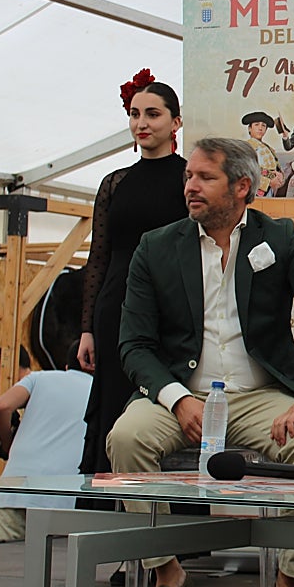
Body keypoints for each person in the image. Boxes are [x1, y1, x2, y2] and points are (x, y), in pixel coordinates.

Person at [106, 137, 294, 587]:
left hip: (260, 395)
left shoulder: (279, 239)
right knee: (126, 439)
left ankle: (290, 580)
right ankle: (168, 573)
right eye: (187, 177)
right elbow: (134, 344)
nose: (190, 186)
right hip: (182, 390)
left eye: (203, 177)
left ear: (241, 186)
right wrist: (176, 401)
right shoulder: (155, 247)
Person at [77, 69, 188, 475]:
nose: (141, 123)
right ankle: (107, 518)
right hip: (114, 307)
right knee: (112, 401)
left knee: (164, 401)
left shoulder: (189, 179)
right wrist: (87, 327)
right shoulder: (113, 183)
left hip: (171, 310)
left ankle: (172, 520)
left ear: (175, 122)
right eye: (135, 113)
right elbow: (98, 258)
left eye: (153, 114)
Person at [0, 342, 91, 543]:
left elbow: (0, 407)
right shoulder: (101, 394)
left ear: (66, 366)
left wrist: (7, 445)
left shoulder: (39, 378)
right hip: (65, 504)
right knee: (48, 571)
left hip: (14, 493)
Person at [241, 111, 285, 197]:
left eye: (263, 125)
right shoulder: (246, 147)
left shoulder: (269, 149)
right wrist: (268, 183)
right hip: (255, 190)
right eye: (256, 125)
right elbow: (245, 172)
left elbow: (277, 167)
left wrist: (279, 176)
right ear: (249, 128)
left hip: (270, 190)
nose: (260, 128)